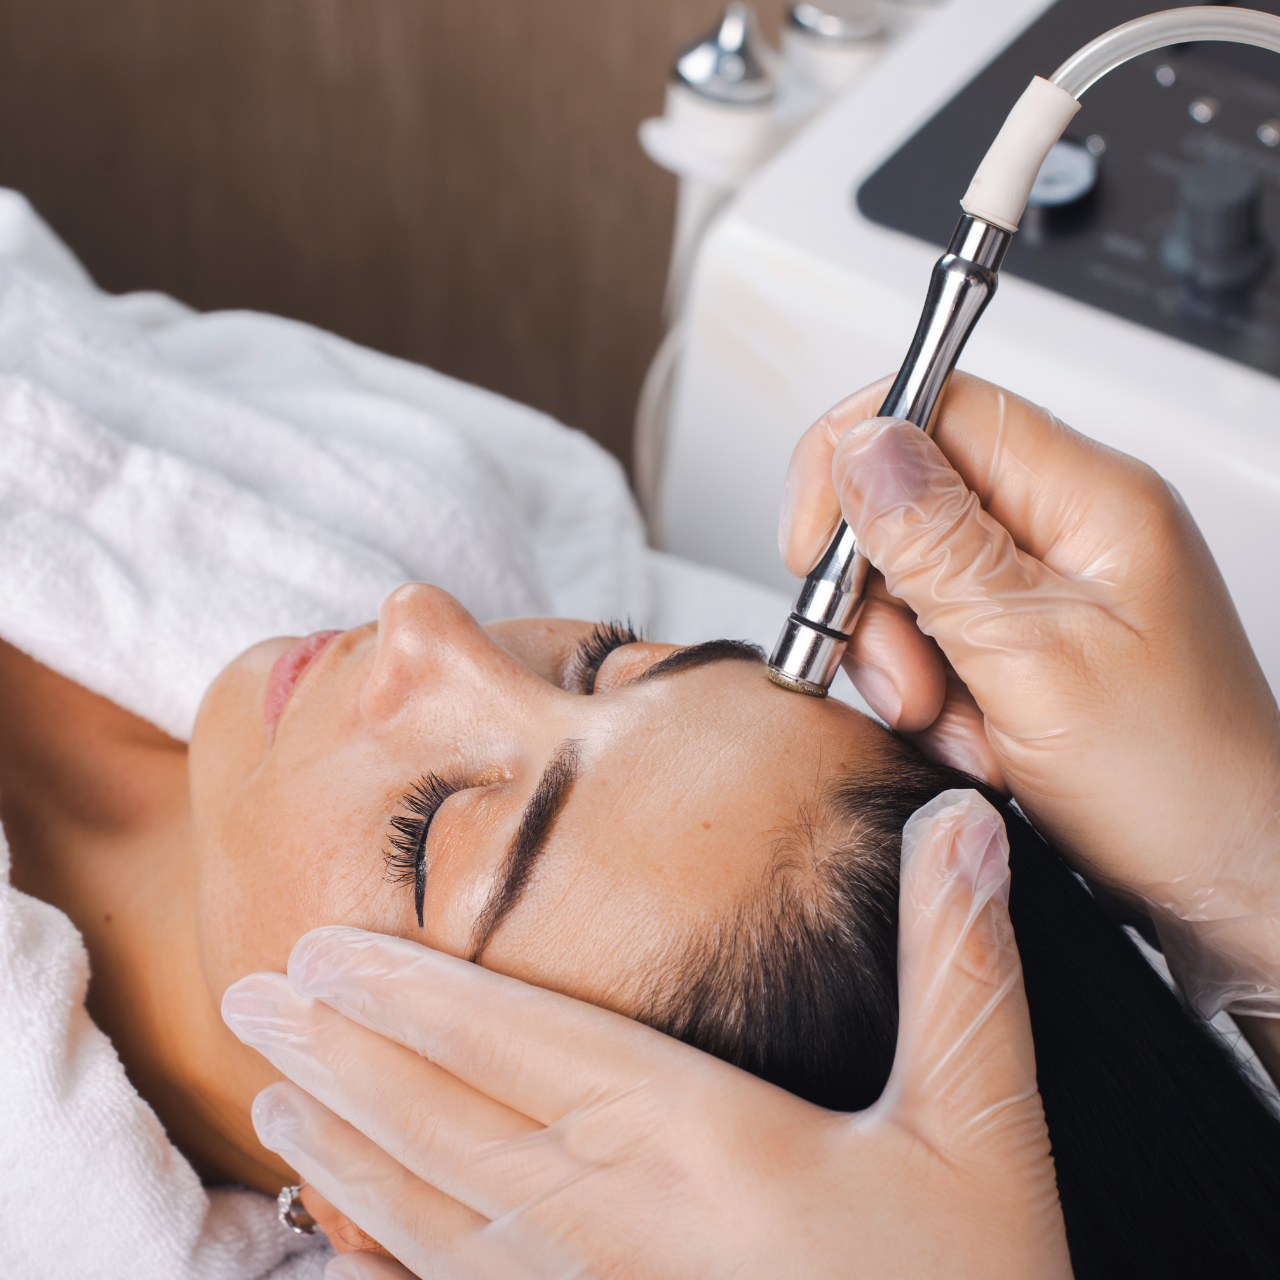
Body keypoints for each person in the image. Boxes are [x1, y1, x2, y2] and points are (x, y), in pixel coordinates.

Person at [227, 372, 1280, 1278]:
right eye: (604, 660)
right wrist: (1254, 877)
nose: (420, 614)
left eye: (432, 831)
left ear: (382, 1180)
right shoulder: (417, 457)